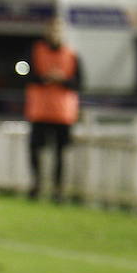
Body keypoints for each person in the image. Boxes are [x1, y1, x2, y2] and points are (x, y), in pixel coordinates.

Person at [23, 18, 81, 202]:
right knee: (35, 149)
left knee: (60, 153)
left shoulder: (71, 54)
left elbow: (79, 82)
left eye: (59, 30)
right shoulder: (35, 51)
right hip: (39, 110)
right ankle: (36, 185)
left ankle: (58, 190)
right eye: (52, 30)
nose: (55, 34)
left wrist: (62, 80)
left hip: (63, 113)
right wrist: (44, 78)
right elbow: (24, 74)